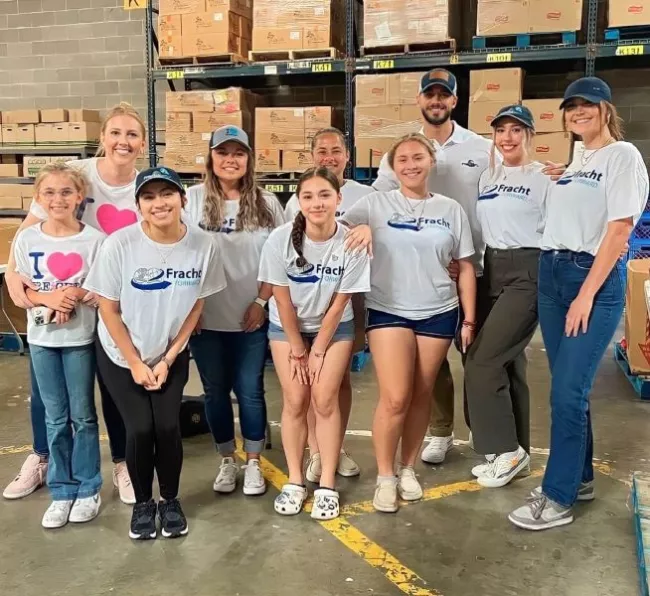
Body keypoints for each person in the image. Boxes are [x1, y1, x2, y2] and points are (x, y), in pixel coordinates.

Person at [509, 77, 648, 530]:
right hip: (551, 273)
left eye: (587, 106)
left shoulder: (623, 156)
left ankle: (558, 496)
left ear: (607, 110)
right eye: (571, 108)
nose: (577, 113)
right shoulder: (579, 159)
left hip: (589, 279)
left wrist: (586, 294)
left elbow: (620, 230)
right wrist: (564, 176)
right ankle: (580, 478)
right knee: (569, 389)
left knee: (569, 392)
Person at [3, 102, 146, 505]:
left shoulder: (143, 185)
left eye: (131, 134)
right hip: (60, 299)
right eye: (115, 133)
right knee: (45, 391)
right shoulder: (75, 175)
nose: (122, 141)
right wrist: (17, 275)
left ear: (142, 144)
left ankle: (121, 462)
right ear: (102, 139)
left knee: (113, 382)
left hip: (110, 299)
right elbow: (30, 230)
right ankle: (42, 457)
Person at [84, 167, 227, 540]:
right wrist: (134, 362)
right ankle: (144, 503)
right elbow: (108, 309)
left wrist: (168, 358)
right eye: (148, 196)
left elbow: (197, 305)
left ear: (182, 199)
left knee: (166, 426)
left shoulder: (203, 246)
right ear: (138, 205)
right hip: (120, 353)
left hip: (169, 351)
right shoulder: (119, 244)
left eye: (167, 194)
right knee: (140, 428)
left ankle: (170, 499)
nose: (159, 203)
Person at [342, 133, 476, 513]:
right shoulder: (374, 203)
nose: (411, 165)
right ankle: (385, 476)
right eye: (402, 159)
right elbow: (330, 230)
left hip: (438, 310)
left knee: (421, 393)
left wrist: (468, 318)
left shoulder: (451, 209)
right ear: (393, 166)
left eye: (418, 157)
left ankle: (407, 468)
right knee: (395, 396)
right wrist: (360, 228)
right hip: (389, 309)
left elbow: (465, 265)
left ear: (431, 161)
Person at [259, 167, 371, 519]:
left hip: (333, 329)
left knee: (324, 400)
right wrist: (297, 348)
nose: (316, 203)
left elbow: (341, 302)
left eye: (325, 195)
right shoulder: (279, 240)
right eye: (307, 196)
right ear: (298, 201)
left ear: (339, 199)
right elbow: (280, 298)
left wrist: (318, 349)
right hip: (287, 328)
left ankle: (326, 483)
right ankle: (294, 479)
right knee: (295, 400)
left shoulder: (350, 240)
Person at [185, 126, 285, 496]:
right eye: (222, 152)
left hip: (251, 317)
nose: (230, 159)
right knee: (214, 393)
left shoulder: (266, 202)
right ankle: (227, 459)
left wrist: (262, 302)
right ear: (211, 157)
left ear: (249, 159)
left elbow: (281, 258)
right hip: (205, 320)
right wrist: (188, 312)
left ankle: (255, 461)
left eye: (238, 153)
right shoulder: (190, 201)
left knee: (250, 392)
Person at [464, 105, 552, 488]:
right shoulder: (488, 177)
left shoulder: (545, 177)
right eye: (501, 131)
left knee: (482, 361)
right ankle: (519, 448)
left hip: (529, 270)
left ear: (530, 136)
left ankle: (504, 450)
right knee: (508, 362)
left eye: (517, 130)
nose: (508, 138)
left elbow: (555, 228)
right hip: (493, 268)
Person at [13, 163, 105, 528]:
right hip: (41, 341)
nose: (58, 199)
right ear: (38, 197)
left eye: (66, 192)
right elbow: (25, 290)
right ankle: (62, 489)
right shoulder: (28, 239)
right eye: (49, 192)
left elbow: (99, 288)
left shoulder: (94, 240)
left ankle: (88, 486)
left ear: (79, 197)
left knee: (82, 416)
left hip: (80, 339)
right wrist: (48, 300)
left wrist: (73, 295)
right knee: (54, 418)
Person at [285, 127, 374, 482]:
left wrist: (367, 229)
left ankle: (335, 447)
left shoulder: (366, 194)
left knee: (338, 382)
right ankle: (317, 452)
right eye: (321, 150)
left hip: (348, 295)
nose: (329, 157)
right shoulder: (296, 200)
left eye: (336, 150)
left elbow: (380, 224)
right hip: (307, 298)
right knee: (309, 382)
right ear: (312, 156)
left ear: (347, 156)